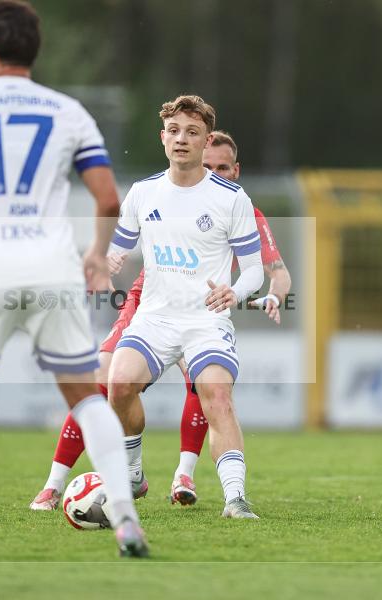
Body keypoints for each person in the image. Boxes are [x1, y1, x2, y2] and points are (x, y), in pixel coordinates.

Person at [0, 0, 148, 558]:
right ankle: (127, 520)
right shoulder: (69, 112)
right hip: (52, 268)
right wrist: (95, 254)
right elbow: (108, 196)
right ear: (33, 54)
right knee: (87, 397)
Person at [30, 131, 291, 511]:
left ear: (236, 171)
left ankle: (186, 474)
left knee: (207, 388)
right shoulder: (160, 191)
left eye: (223, 167)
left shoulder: (242, 208)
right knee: (105, 380)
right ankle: (55, 483)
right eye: (208, 165)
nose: (214, 172)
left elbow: (276, 272)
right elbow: (125, 245)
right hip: (149, 302)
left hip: (205, 308)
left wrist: (273, 296)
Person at [108, 94, 263, 519]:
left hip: (205, 322)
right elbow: (116, 248)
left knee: (217, 397)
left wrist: (236, 291)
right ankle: (134, 472)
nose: (182, 139)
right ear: (162, 138)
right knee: (118, 386)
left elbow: (253, 271)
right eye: (174, 131)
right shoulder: (141, 193)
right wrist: (107, 261)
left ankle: (235, 499)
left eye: (192, 132)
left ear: (205, 139)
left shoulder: (232, 199)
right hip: (154, 319)